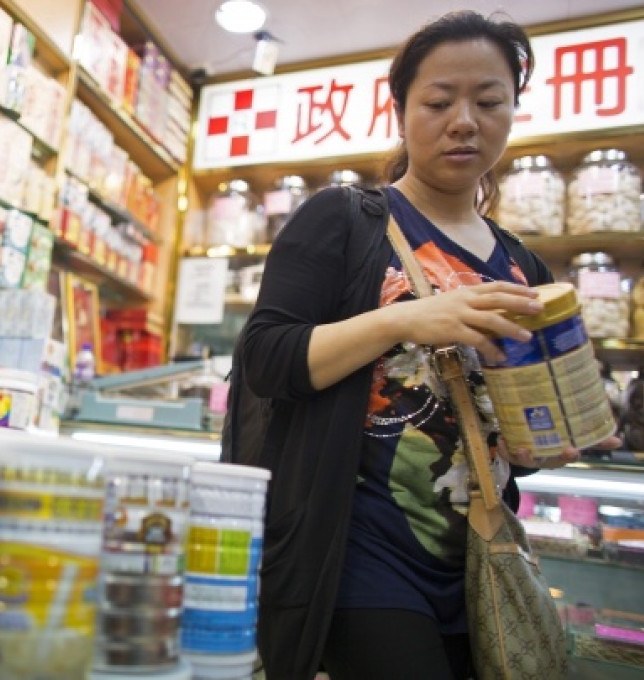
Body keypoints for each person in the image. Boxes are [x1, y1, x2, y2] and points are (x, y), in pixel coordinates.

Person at [238, 10, 621, 680]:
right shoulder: (347, 221)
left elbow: (516, 455)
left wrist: (566, 423)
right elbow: (267, 359)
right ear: (401, 110)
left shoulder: (522, 266)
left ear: (513, 111)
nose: (464, 120)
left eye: (489, 101)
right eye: (440, 102)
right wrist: (407, 320)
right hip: (358, 547)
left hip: (476, 556)